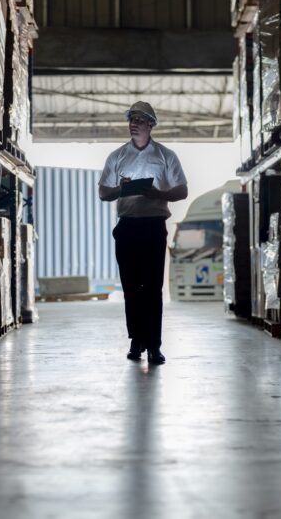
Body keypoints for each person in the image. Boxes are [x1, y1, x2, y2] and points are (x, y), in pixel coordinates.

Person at [99, 101, 187, 365]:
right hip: (127, 228)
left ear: (151, 124)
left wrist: (157, 194)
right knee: (131, 288)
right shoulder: (116, 157)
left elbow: (182, 190)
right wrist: (121, 190)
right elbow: (103, 192)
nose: (133, 123)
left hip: (153, 227)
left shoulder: (166, 156)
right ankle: (137, 340)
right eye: (131, 119)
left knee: (152, 288)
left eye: (139, 119)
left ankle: (154, 346)